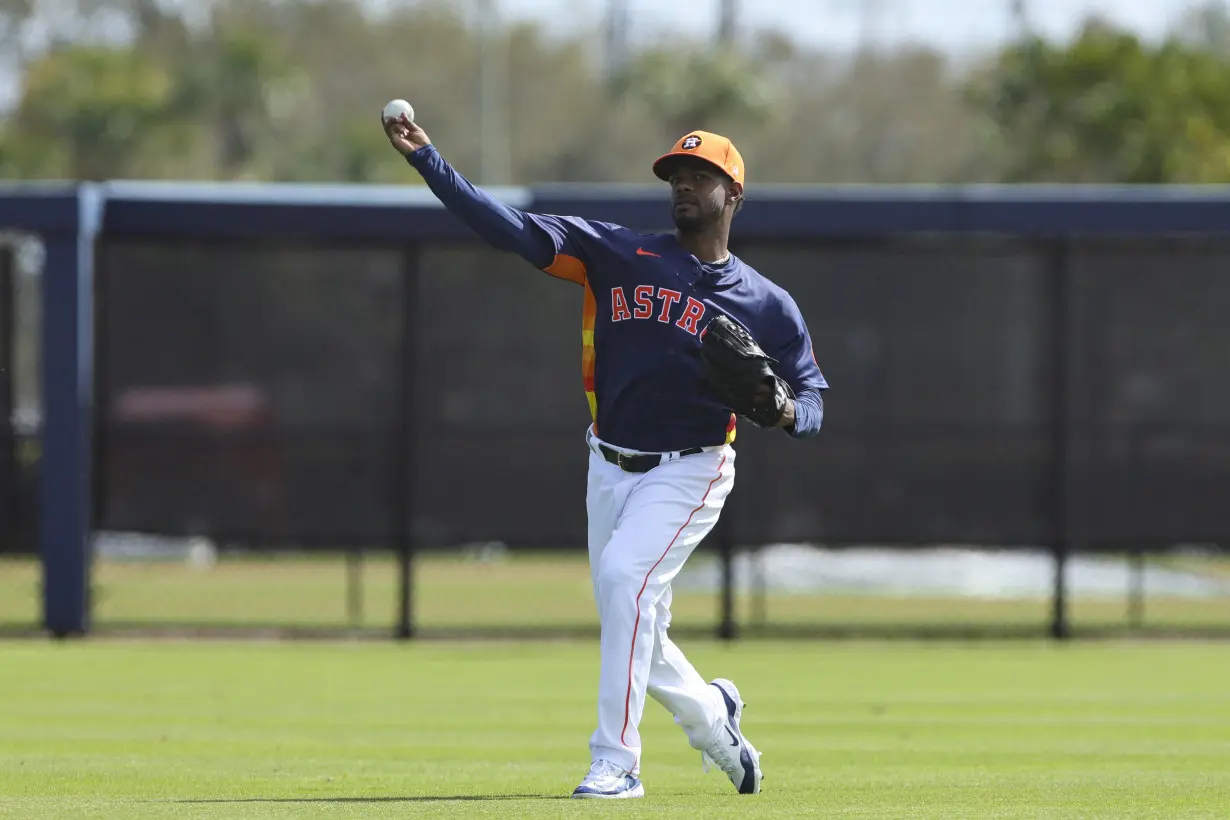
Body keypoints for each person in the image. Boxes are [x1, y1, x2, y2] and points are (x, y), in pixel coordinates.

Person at [382, 112, 828, 799]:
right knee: (632, 618)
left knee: (624, 582)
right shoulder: (617, 253)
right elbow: (512, 230)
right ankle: (714, 716)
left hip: (692, 466)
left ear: (732, 194)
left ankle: (617, 762)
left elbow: (814, 405)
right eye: (676, 175)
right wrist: (429, 161)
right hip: (607, 461)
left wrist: (785, 411)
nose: (683, 184)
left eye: (700, 176)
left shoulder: (767, 303)